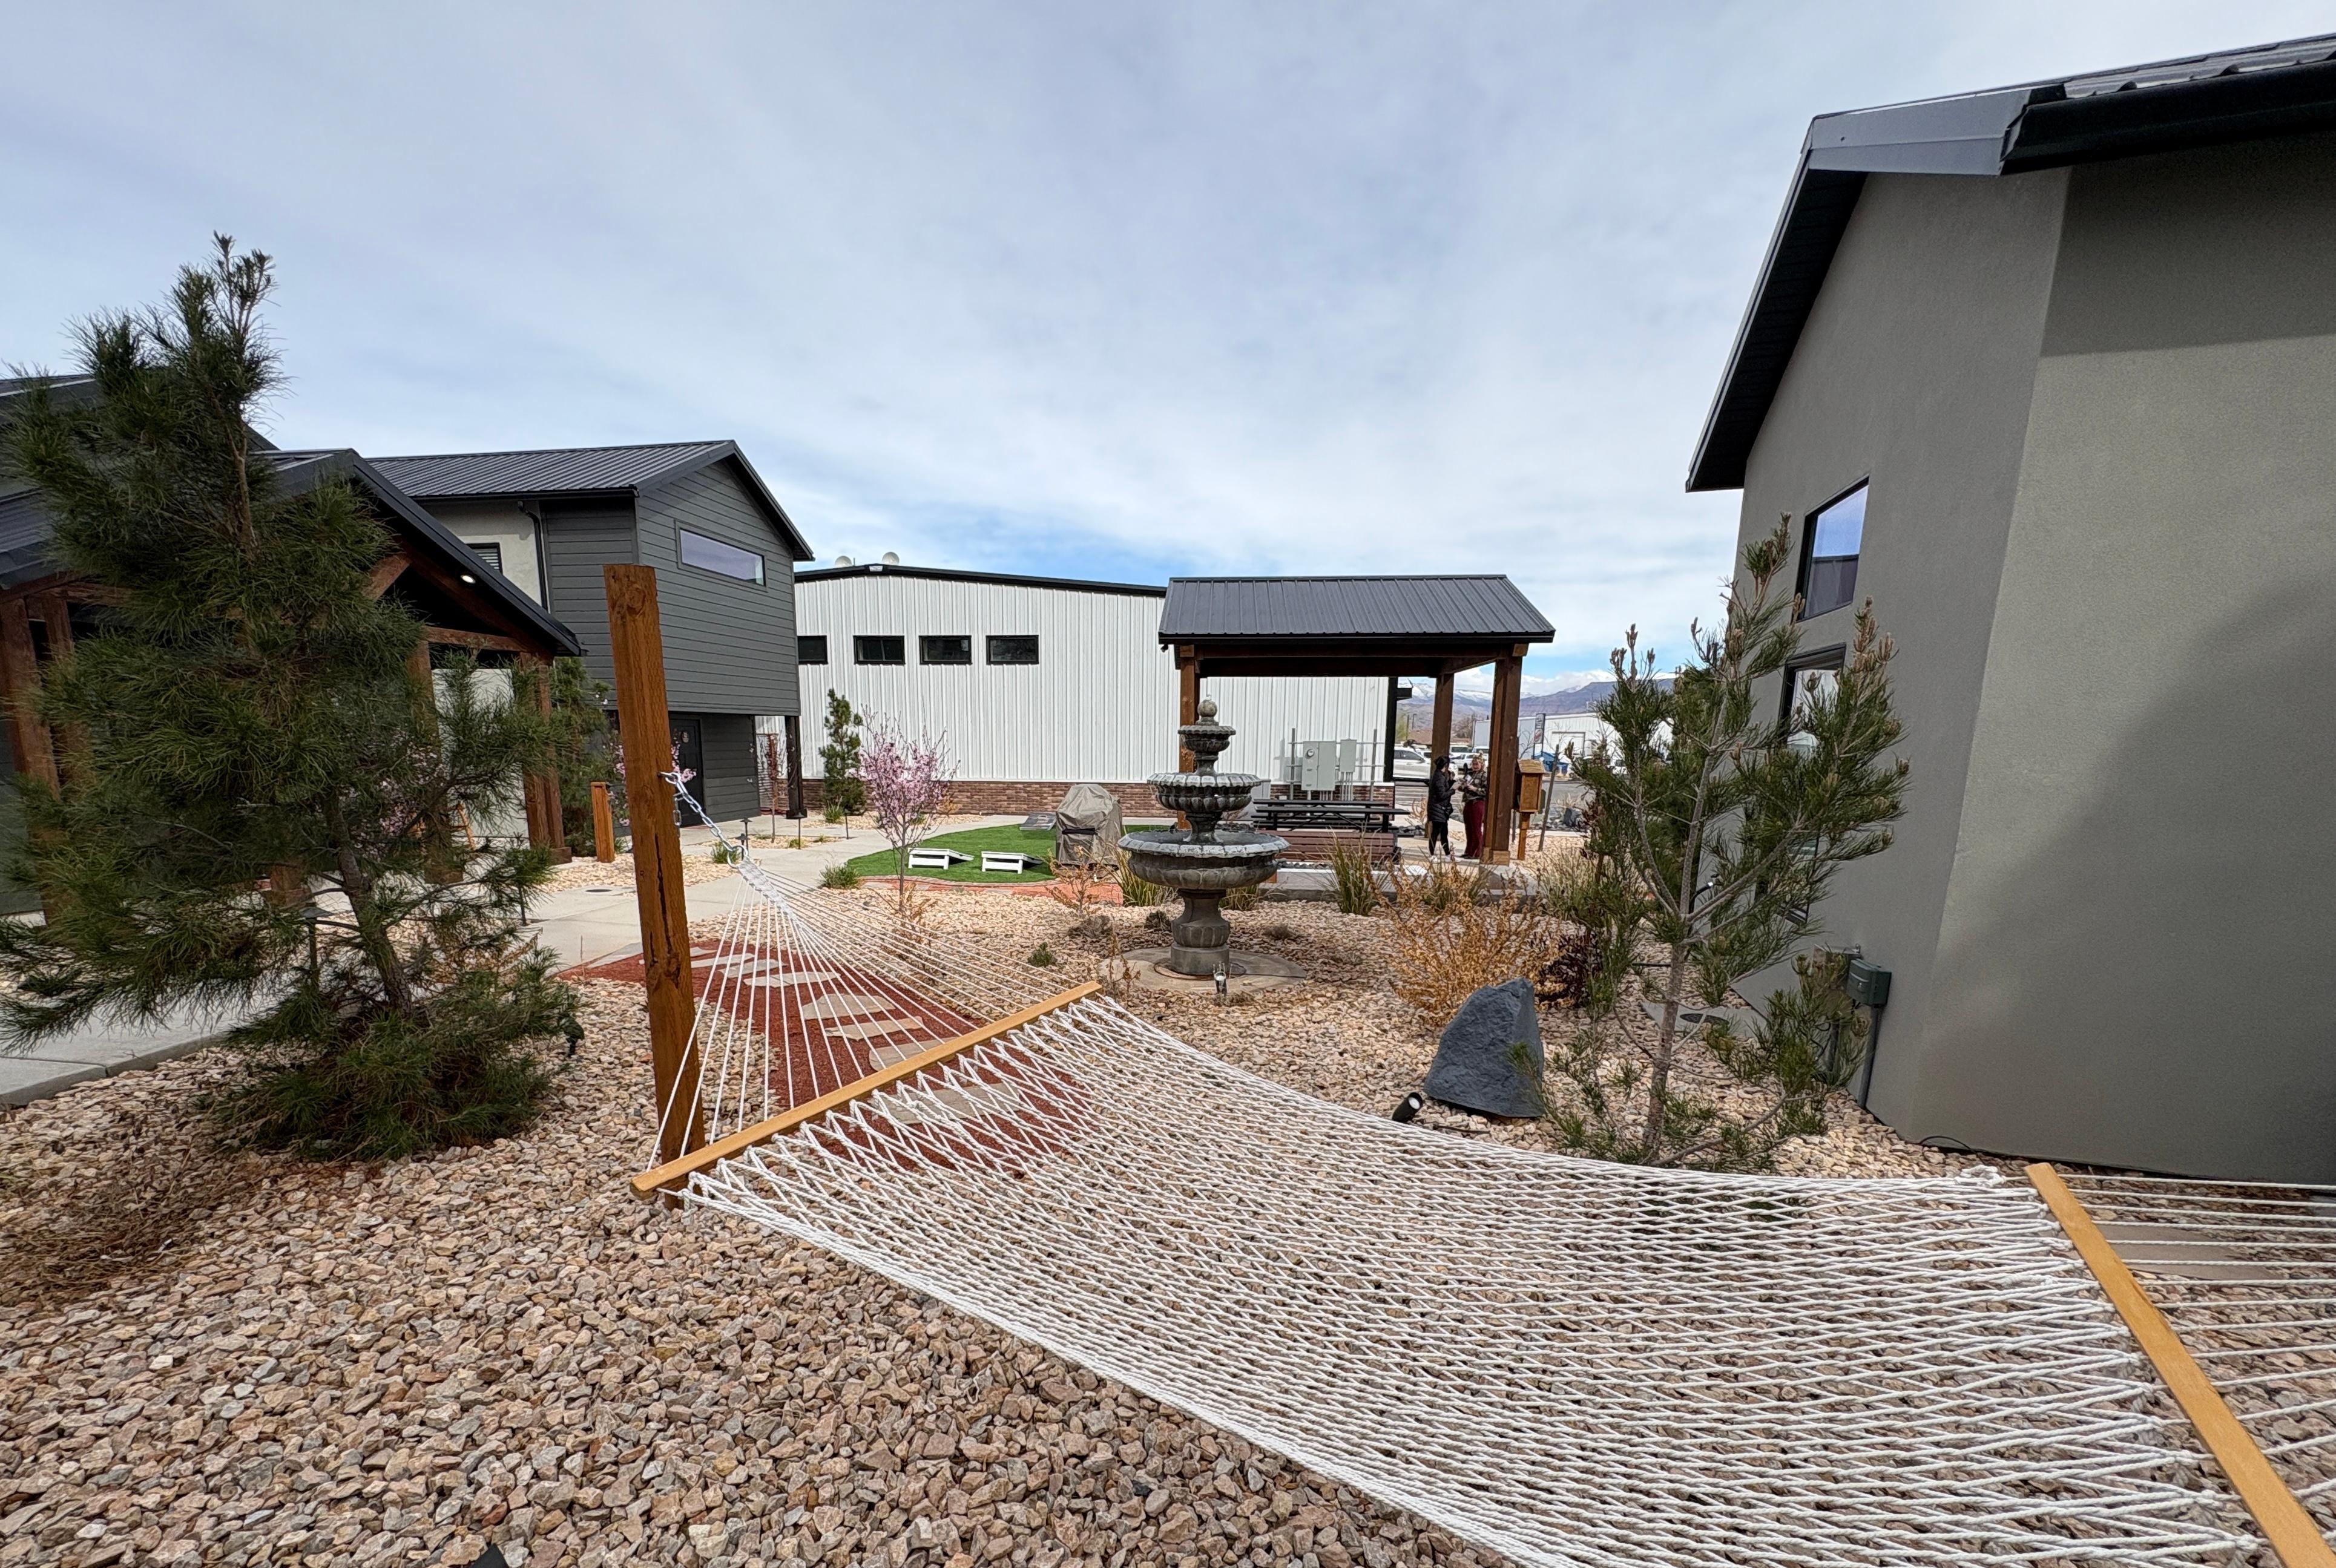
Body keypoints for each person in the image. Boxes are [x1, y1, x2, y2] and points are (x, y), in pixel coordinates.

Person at [1424, 755, 1455, 858]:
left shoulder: (1440, 776)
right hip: (1438, 809)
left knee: (1443, 832)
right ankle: (1432, 854)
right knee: (1436, 833)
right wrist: (1453, 790)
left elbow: (1443, 790)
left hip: (1439, 810)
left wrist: (1451, 781)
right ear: (1446, 766)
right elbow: (1442, 795)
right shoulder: (1439, 778)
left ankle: (1447, 854)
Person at [1460, 753, 1489, 860]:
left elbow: (1487, 791)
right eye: (1474, 764)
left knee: (1476, 828)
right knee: (1469, 828)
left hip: (1478, 802)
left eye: (1477, 764)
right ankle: (1469, 851)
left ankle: (1477, 852)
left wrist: (1475, 789)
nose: (1475, 766)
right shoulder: (1470, 774)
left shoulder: (1484, 775)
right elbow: (1462, 788)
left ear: (1482, 764)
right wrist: (1462, 785)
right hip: (1468, 801)